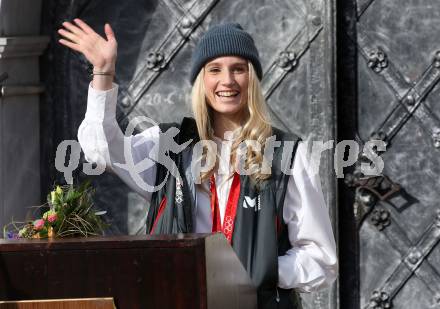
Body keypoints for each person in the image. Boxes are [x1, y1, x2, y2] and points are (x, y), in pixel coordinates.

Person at [58, 19, 338, 309]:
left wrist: (257, 270)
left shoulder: (288, 154)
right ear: (201, 81)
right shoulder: (168, 146)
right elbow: (102, 149)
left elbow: (320, 258)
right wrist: (103, 73)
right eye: (214, 70)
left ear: (252, 79)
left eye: (238, 69)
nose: (227, 80)